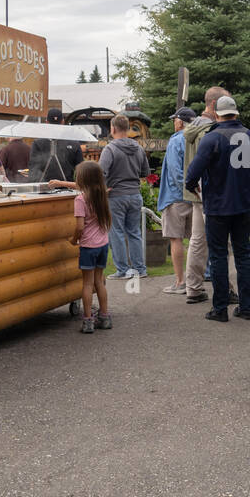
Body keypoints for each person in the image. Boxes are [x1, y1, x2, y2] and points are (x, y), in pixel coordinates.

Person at [186, 95, 250, 322]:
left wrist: (194, 187)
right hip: (243, 205)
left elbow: (192, 173)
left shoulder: (212, 138)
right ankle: (246, 308)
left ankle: (220, 309)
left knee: (218, 257)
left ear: (217, 114)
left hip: (217, 206)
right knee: (243, 256)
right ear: (236, 113)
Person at [181, 87, 226, 304]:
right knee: (217, 242)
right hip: (209, 192)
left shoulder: (193, 127)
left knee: (198, 241)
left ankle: (194, 288)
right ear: (215, 104)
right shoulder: (209, 130)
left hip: (196, 192)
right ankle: (226, 288)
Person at [99, 114, 150, 279]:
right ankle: (140, 269)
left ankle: (122, 270)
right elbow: (145, 173)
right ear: (128, 128)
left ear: (112, 128)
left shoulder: (110, 149)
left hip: (115, 195)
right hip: (135, 195)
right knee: (134, 232)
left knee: (117, 233)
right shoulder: (138, 148)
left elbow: (100, 172)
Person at [65, 160, 113, 334]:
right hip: (102, 245)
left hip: (88, 247)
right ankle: (105, 317)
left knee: (87, 284)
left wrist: (73, 240)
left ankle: (87, 320)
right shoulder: (101, 195)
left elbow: (79, 227)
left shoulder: (80, 199)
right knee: (99, 282)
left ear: (83, 179)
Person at [158, 107, 197, 294]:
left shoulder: (176, 141)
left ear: (180, 122)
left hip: (175, 197)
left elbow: (175, 171)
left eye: (175, 120)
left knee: (176, 239)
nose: (174, 122)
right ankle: (194, 280)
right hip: (195, 197)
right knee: (194, 240)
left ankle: (180, 281)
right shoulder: (197, 139)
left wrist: (185, 187)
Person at [28, 108, 84, 183]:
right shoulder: (74, 143)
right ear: (63, 121)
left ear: (47, 122)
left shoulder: (37, 143)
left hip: (45, 188)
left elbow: (33, 169)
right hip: (69, 189)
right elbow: (81, 170)